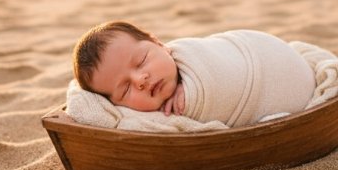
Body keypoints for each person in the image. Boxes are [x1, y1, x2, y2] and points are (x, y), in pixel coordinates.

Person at [73, 21, 318, 127]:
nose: (140, 80)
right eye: (125, 90)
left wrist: (192, 89)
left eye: (142, 61)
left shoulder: (189, 53)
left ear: (158, 43)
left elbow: (218, 65)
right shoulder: (145, 117)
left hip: (267, 58)